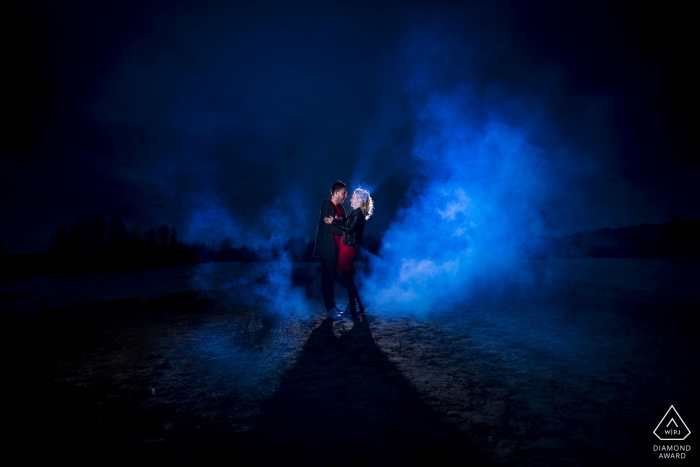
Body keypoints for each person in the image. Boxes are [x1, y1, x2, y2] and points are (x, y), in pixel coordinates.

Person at [324, 186, 373, 317]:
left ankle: (354, 307)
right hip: (346, 248)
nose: (350, 199)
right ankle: (359, 304)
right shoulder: (355, 213)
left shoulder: (358, 213)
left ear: (359, 200)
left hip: (348, 249)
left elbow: (349, 229)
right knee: (344, 278)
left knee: (345, 279)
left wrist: (334, 221)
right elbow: (345, 225)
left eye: (353, 197)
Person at [313, 181, 348, 319]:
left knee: (334, 279)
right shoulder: (326, 205)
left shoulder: (342, 210)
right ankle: (329, 309)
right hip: (327, 249)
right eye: (344, 192)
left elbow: (345, 226)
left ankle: (332, 305)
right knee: (327, 279)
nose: (346, 195)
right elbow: (327, 226)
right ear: (336, 192)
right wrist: (342, 229)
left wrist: (338, 225)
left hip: (338, 249)